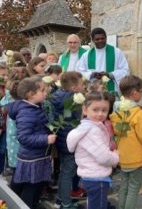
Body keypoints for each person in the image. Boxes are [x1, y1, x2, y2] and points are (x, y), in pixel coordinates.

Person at [7, 75, 56, 208]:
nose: (46, 93)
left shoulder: (35, 106)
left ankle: (30, 203)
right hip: (32, 158)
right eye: (42, 91)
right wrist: (45, 139)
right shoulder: (26, 112)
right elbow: (23, 137)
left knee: (35, 185)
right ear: (30, 94)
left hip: (37, 155)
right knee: (32, 186)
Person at [67, 92, 119, 209]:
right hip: (97, 177)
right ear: (85, 110)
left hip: (90, 175)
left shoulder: (88, 127)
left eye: (104, 110)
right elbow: (103, 157)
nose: (100, 114)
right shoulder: (92, 131)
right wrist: (115, 157)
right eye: (95, 110)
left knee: (93, 203)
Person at [110, 75, 142, 209]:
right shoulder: (139, 114)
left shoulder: (116, 112)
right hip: (137, 158)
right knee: (133, 188)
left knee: (124, 186)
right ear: (134, 94)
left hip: (123, 157)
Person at [51, 71, 85, 209]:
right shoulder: (73, 99)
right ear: (74, 88)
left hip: (61, 137)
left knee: (65, 169)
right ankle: (65, 202)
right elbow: (77, 120)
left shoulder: (57, 95)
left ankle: (60, 199)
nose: (84, 86)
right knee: (68, 171)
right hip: (70, 139)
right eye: (82, 84)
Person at [76, 27, 130, 92]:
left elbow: (125, 70)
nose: (100, 41)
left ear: (106, 38)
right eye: (97, 39)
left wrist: (110, 75)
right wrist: (91, 75)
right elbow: (79, 71)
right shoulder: (86, 55)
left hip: (112, 90)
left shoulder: (116, 52)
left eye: (102, 38)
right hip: (93, 91)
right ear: (93, 40)